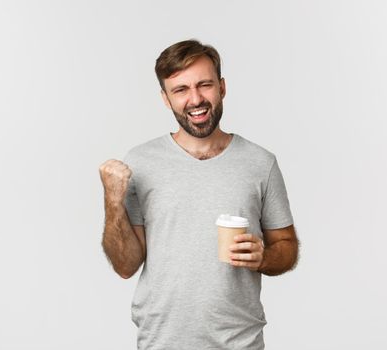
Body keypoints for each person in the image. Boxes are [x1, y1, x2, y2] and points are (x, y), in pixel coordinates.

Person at [99, 39, 299, 350]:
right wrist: (112, 201)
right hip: (162, 341)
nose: (195, 99)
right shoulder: (140, 162)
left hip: (239, 342)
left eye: (204, 85)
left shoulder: (261, 163)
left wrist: (264, 257)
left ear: (222, 87)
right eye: (180, 90)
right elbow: (126, 266)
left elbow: (286, 248)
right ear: (166, 99)